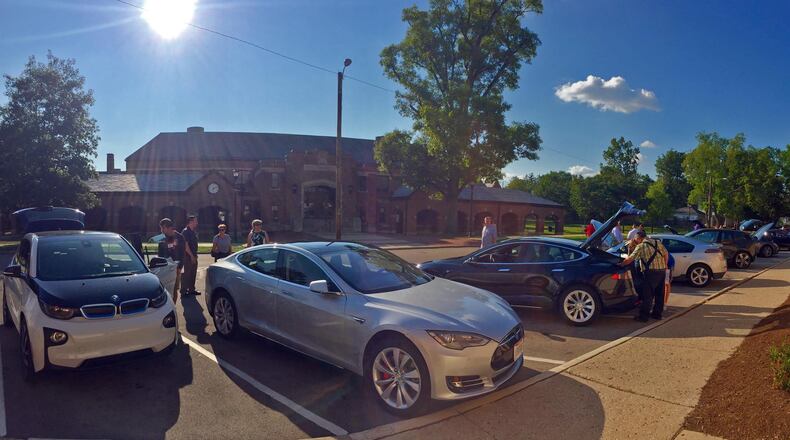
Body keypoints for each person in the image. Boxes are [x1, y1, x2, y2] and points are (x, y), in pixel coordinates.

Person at [620, 230, 669, 322]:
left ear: (638, 238)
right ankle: (657, 314)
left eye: (635, 239)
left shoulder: (641, 246)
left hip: (650, 272)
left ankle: (644, 317)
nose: (635, 241)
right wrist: (665, 265)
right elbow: (666, 254)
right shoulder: (657, 242)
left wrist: (620, 264)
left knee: (648, 295)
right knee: (659, 294)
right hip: (662, 271)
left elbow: (630, 259)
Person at [157, 218, 185, 303]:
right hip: (164, 268)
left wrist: (179, 268)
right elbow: (160, 254)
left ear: (169, 227)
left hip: (175, 268)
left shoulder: (179, 237)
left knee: (174, 289)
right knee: (164, 289)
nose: (161, 230)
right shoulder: (162, 238)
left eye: (163, 228)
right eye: (161, 228)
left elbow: (182, 254)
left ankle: (173, 306)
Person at [180, 215, 200, 296]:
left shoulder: (193, 231)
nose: (197, 223)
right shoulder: (186, 231)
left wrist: (195, 255)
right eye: (195, 221)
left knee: (193, 273)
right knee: (186, 274)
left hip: (193, 255)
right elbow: (186, 245)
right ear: (191, 222)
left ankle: (191, 289)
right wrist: (191, 256)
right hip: (187, 257)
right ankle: (184, 291)